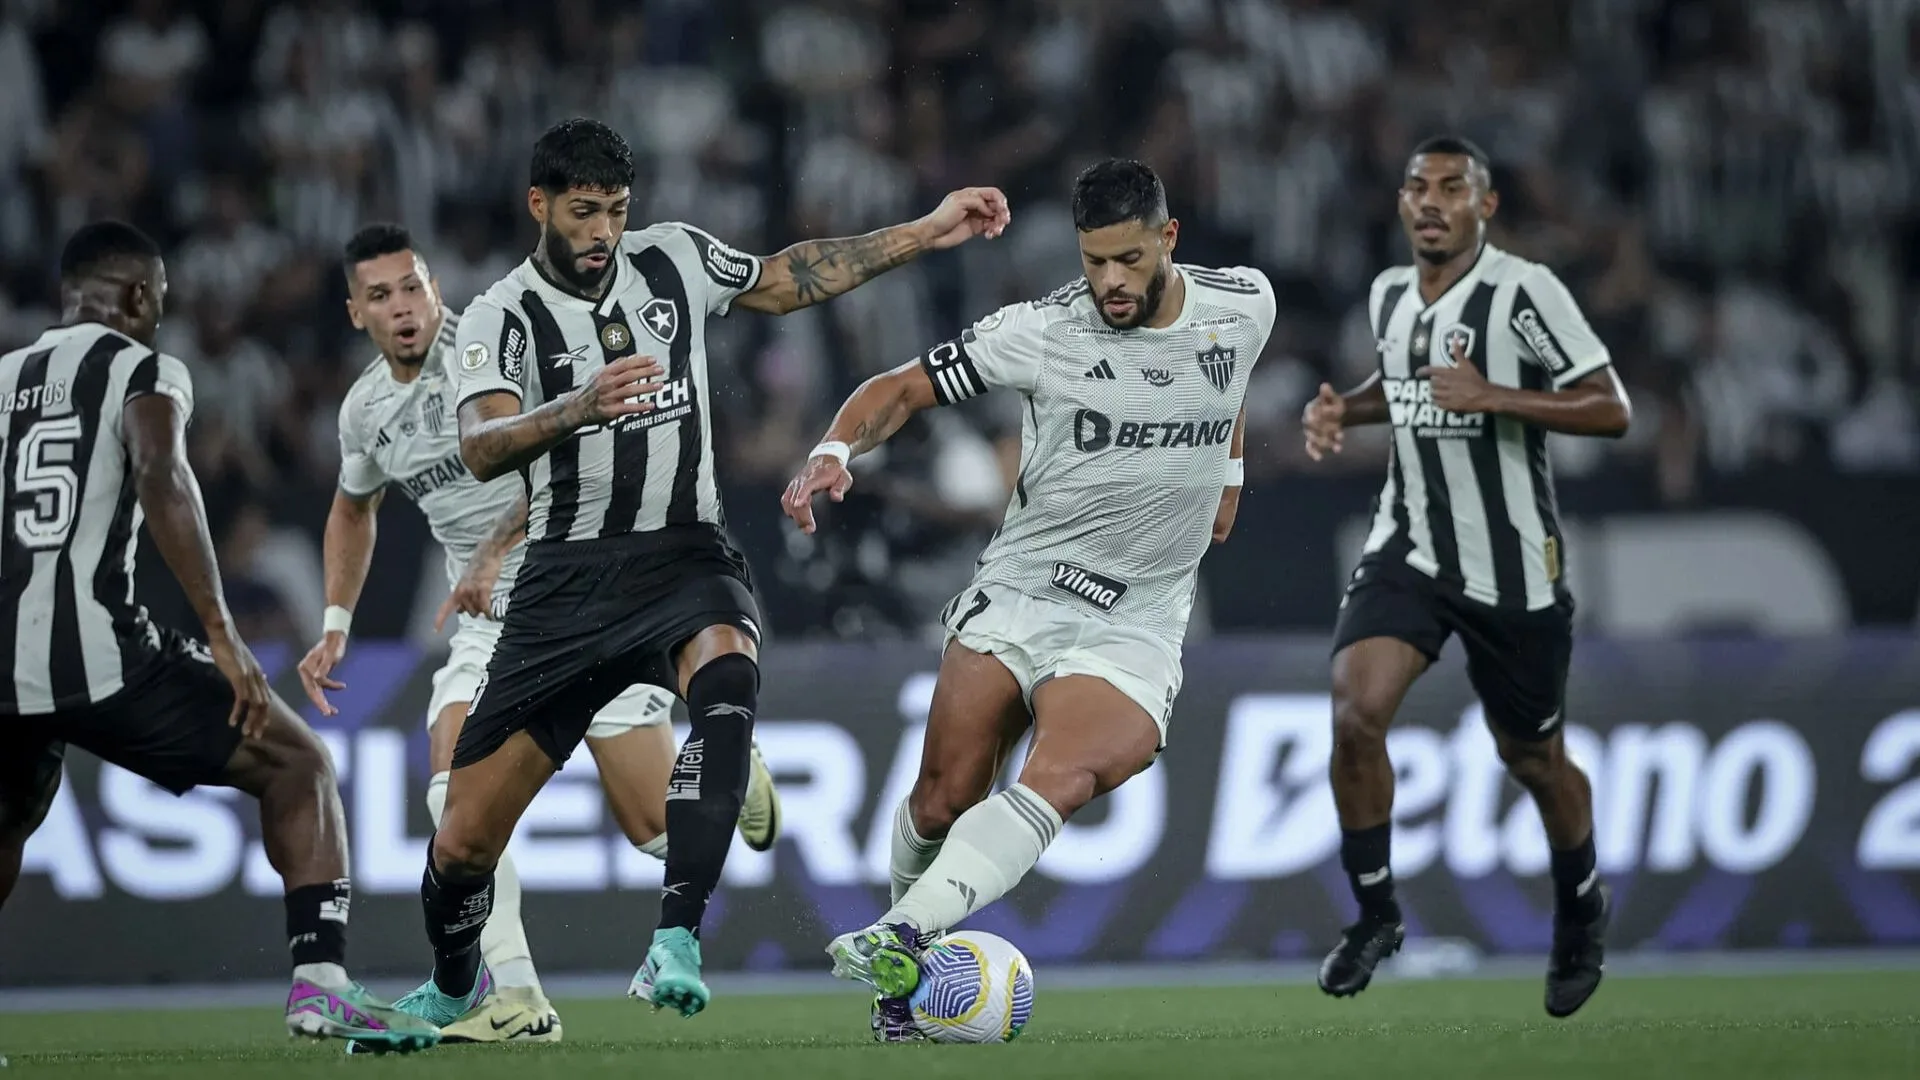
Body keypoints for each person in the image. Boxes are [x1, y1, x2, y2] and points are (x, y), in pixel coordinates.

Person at [416, 116, 1010, 1024]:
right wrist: (576, 406)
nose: (602, 231)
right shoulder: (502, 315)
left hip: (684, 551)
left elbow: (790, 277)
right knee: (462, 842)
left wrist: (925, 231)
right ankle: (456, 986)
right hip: (566, 583)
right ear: (539, 205)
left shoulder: (676, 260)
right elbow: (482, 445)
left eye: (615, 210)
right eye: (583, 212)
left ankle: (676, 939)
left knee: (729, 673)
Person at [782, 159, 1271, 1041]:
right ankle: (903, 988)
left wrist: (1228, 471)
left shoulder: (1246, 305)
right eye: (1094, 263)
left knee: (1069, 771)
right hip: (1022, 590)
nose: (1110, 283)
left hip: (1138, 617)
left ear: (1168, 240)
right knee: (941, 800)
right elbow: (900, 389)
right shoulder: (1040, 331)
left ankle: (898, 935)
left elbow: (1229, 377)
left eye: (1127, 260)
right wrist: (835, 451)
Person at [296, 223, 783, 1046]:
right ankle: (516, 999)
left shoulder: (498, 343)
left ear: (436, 289)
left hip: (590, 590)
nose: (403, 309)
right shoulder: (367, 411)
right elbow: (353, 506)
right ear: (356, 314)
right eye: (381, 297)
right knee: (451, 782)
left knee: (653, 828)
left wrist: (490, 550)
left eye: (413, 287)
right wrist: (335, 622)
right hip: (499, 627)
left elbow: (590, 451)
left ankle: (722, 757)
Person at [0, 222, 438, 1052]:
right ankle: (322, 987)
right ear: (136, 296)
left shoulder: (2, 377)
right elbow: (163, 473)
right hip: (98, 648)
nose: (161, 316)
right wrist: (223, 632)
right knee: (299, 763)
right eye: (159, 301)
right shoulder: (141, 368)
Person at [1300, 136, 1630, 1018]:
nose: (1432, 200)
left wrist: (1498, 397)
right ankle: (1376, 915)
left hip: (1512, 566)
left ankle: (1581, 907)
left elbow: (1610, 405)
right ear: (1402, 203)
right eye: (1418, 186)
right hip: (1410, 544)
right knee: (1354, 711)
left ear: (1485, 206)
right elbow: (1405, 384)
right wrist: (1347, 408)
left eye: (1454, 187)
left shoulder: (1525, 292)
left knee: (1532, 757)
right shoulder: (1389, 294)